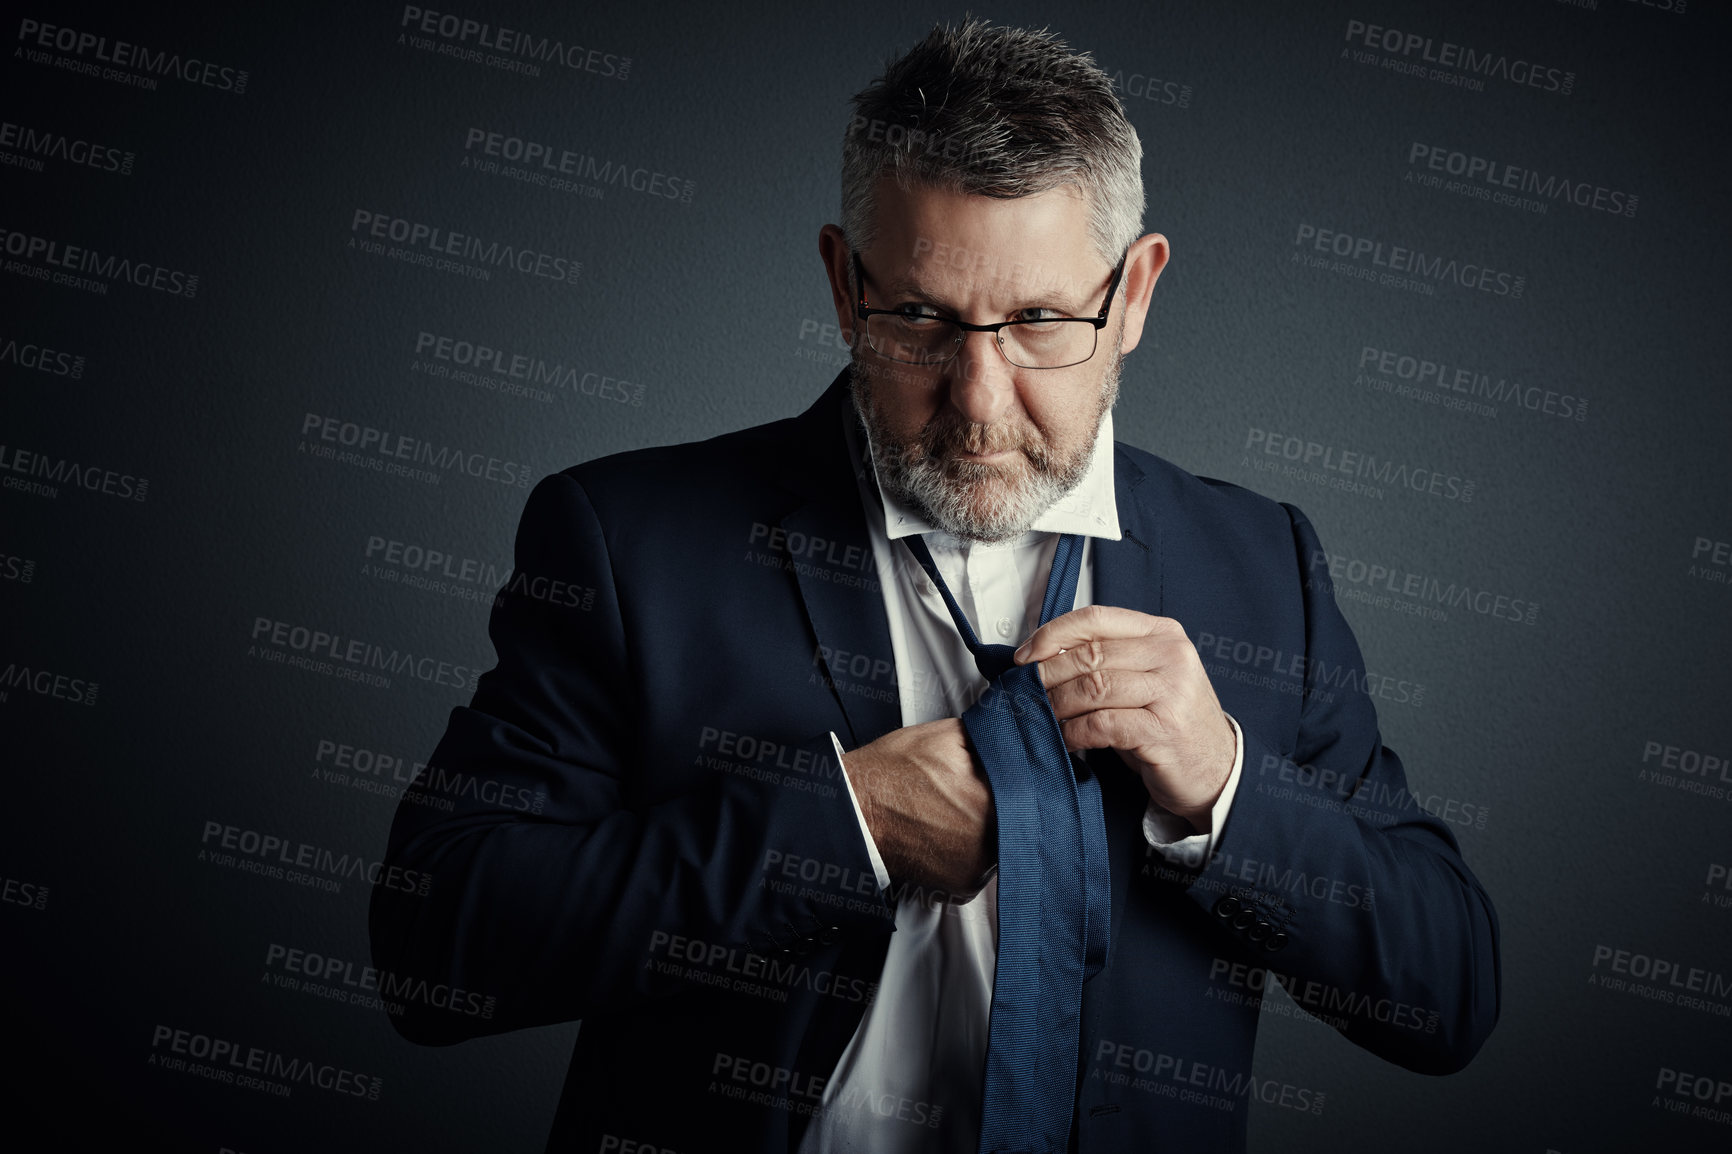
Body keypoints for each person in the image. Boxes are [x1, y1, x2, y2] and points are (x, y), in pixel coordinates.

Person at [370, 19, 1500, 1154]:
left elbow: (1448, 993)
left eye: (1043, 321)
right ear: (843, 285)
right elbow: (433, 949)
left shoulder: (1265, 567)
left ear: (1137, 293)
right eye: (919, 317)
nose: (979, 398)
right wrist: (842, 827)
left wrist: (1224, 791)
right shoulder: (628, 541)